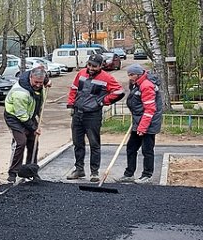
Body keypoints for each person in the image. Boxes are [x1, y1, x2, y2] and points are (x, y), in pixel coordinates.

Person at [66, 53, 125, 182]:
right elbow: (74, 89)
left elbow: (119, 92)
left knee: (94, 144)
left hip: (92, 115)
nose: (91, 68)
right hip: (78, 113)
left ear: (101, 66)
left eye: (94, 66)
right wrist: (71, 103)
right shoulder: (81, 73)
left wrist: (103, 101)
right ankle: (79, 169)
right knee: (77, 143)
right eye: (89, 65)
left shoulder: (107, 78)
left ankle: (94, 172)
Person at [118, 63, 163, 184]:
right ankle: (129, 174)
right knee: (131, 147)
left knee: (147, 150)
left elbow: (150, 109)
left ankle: (147, 175)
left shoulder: (146, 86)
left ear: (138, 74)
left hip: (149, 122)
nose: (129, 77)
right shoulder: (136, 84)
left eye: (131, 75)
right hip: (139, 121)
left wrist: (142, 127)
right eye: (128, 75)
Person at [4, 67, 48, 183]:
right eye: (36, 82)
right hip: (14, 117)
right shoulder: (20, 93)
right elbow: (21, 116)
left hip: (29, 115)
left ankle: (30, 170)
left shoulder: (40, 80)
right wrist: (34, 128)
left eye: (41, 82)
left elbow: (44, 75)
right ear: (30, 78)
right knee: (21, 142)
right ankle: (13, 173)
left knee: (34, 142)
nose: (38, 85)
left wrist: (47, 82)